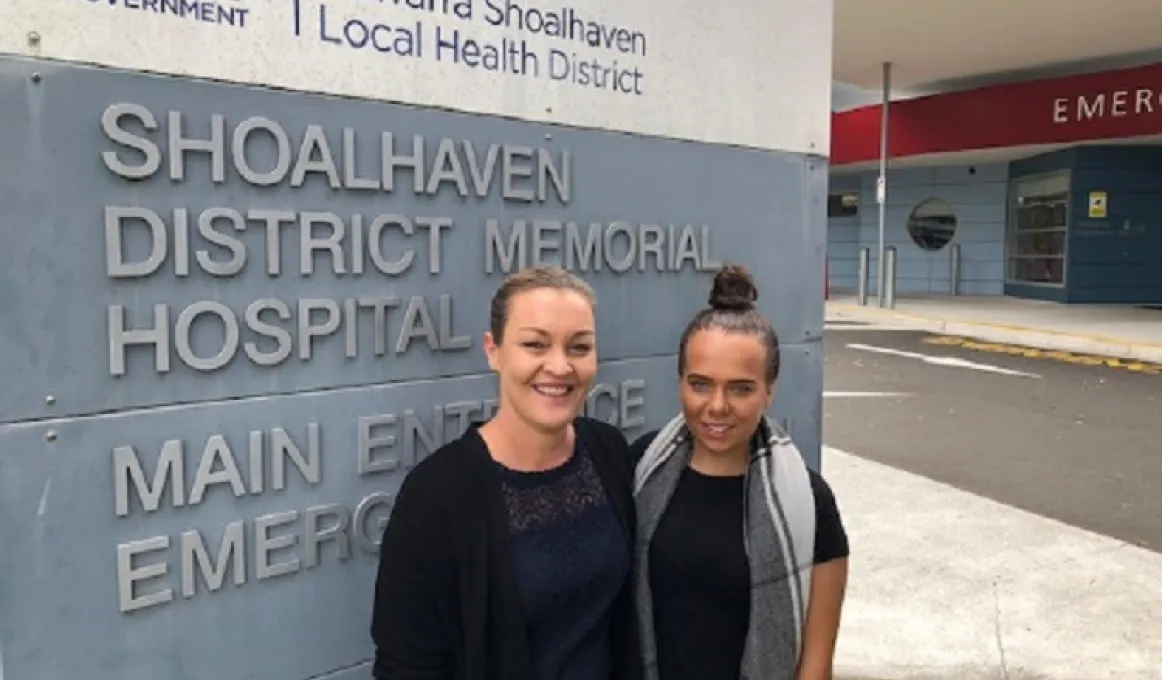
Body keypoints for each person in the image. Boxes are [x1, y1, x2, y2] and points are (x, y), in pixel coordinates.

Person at [371, 265, 641, 680]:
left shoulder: (608, 451)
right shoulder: (436, 496)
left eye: (579, 347)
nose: (560, 366)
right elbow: (406, 666)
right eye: (535, 344)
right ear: (493, 350)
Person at [631, 264, 850, 680]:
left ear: (769, 390)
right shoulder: (641, 467)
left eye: (741, 388)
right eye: (700, 384)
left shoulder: (808, 501)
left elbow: (816, 667)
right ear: (680, 383)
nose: (717, 406)